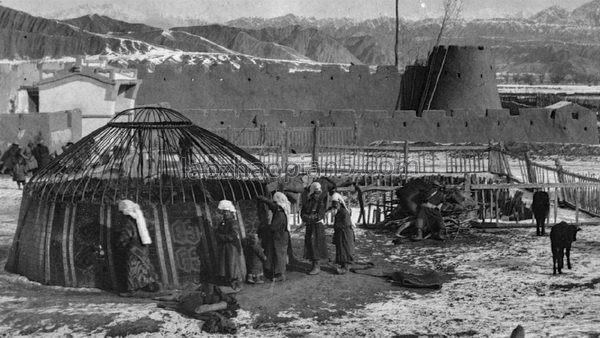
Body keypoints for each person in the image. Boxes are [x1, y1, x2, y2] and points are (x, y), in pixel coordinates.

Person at [117, 199, 160, 296]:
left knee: (132, 268)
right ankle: (150, 285)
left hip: (133, 248)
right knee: (144, 266)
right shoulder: (140, 218)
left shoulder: (129, 222)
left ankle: (132, 290)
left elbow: (126, 235)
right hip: (143, 247)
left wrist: (121, 243)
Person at [257, 192, 291, 282]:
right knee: (277, 254)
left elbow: (273, 227)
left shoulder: (280, 214)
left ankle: (280, 274)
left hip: (280, 237)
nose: (274, 205)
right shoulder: (280, 209)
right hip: (279, 236)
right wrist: (265, 200)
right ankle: (276, 272)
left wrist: (264, 227)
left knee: (279, 255)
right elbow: (273, 206)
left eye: (275, 202)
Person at [215, 200, 245, 292]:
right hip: (225, 247)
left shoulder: (233, 222)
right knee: (226, 265)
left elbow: (233, 234)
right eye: (223, 212)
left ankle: (236, 283)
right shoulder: (223, 222)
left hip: (232, 247)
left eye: (226, 212)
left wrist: (222, 237)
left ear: (230, 212)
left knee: (232, 265)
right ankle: (228, 282)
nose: (225, 214)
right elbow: (217, 232)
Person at [300, 182, 329, 275]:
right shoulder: (308, 201)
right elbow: (303, 212)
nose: (317, 194)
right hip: (310, 226)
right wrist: (305, 217)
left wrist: (309, 218)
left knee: (316, 244)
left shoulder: (321, 202)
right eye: (316, 192)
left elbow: (320, 216)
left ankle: (317, 266)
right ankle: (313, 264)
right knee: (310, 244)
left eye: (318, 192)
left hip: (317, 226)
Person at [330, 193, 355, 275]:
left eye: (336, 203)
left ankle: (346, 266)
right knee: (340, 248)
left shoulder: (344, 212)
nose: (335, 205)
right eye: (334, 204)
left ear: (340, 203)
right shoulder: (339, 212)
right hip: (341, 233)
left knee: (345, 249)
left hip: (345, 233)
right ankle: (342, 264)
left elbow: (346, 223)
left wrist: (337, 226)